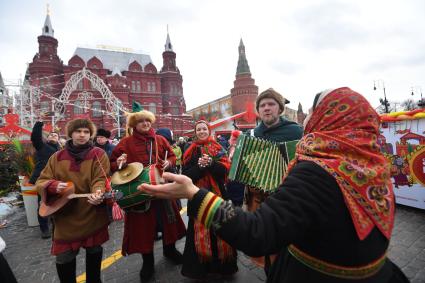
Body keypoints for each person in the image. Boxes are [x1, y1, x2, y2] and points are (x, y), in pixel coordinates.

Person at [140, 87, 409, 283]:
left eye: (313, 111)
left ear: (327, 118)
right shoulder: (377, 166)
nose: (307, 118)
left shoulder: (316, 171)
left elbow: (257, 233)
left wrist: (192, 193)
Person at [109, 108, 186, 282]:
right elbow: (112, 164)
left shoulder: (160, 140)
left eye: (148, 121)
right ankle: (148, 262)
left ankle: (170, 250)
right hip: (139, 192)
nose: (145, 124)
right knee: (144, 229)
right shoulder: (125, 143)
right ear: (134, 124)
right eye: (141, 121)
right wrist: (118, 163)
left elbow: (172, 156)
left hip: (162, 188)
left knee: (168, 221)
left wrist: (169, 162)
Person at [35, 118, 110, 283]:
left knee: (94, 250)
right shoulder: (57, 156)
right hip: (65, 216)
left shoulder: (99, 154)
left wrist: (98, 193)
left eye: (86, 132)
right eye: (78, 131)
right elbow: (41, 181)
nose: (82, 135)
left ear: (91, 134)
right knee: (64, 258)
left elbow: (100, 178)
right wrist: (53, 185)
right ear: (71, 133)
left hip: (91, 212)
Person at [247, 88, 304, 271]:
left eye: (271, 104)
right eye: (262, 105)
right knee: (268, 248)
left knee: (292, 249)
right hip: (260, 199)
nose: (266, 108)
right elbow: (245, 167)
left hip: (289, 197)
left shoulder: (296, 132)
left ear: (280, 108)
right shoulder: (253, 134)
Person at [179, 120, 238, 280]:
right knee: (200, 230)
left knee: (221, 228)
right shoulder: (189, 150)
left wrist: (211, 163)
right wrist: (200, 167)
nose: (202, 131)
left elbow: (225, 171)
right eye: (199, 129)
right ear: (195, 132)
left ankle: (223, 267)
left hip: (219, 196)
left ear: (209, 130)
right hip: (197, 196)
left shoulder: (218, 148)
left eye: (204, 129)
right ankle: (201, 268)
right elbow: (186, 175)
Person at [29, 121, 61, 239]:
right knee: (43, 203)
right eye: (51, 135)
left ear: (59, 139)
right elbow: (35, 137)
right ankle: (44, 229)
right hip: (43, 180)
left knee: (57, 202)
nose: (53, 136)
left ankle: (57, 225)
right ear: (47, 138)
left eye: (55, 135)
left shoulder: (61, 150)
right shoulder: (42, 146)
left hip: (57, 180)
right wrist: (39, 124)